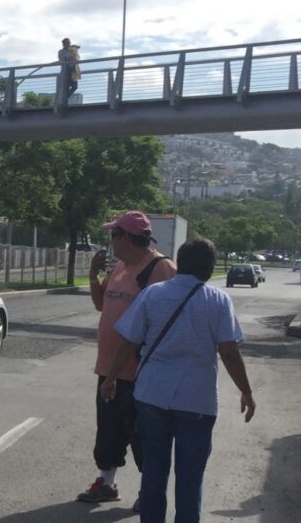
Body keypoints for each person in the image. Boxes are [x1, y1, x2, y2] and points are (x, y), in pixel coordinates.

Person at [100, 238, 256, 523]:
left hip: (152, 396)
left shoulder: (153, 294)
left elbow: (129, 340)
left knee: (154, 472)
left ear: (180, 263)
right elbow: (229, 352)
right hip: (197, 402)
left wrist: (111, 378)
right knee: (190, 478)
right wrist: (246, 392)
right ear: (209, 268)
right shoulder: (218, 300)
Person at [77, 210, 177, 510]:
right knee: (108, 428)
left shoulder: (161, 269)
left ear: (127, 238)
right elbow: (101, 305)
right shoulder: (120, 267)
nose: (110, 241)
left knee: (143, 434)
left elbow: (171, 319)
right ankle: (106, 483)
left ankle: (149, 490)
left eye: (113, 235)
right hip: (109, 368)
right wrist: (93, 276)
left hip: (141, 372)